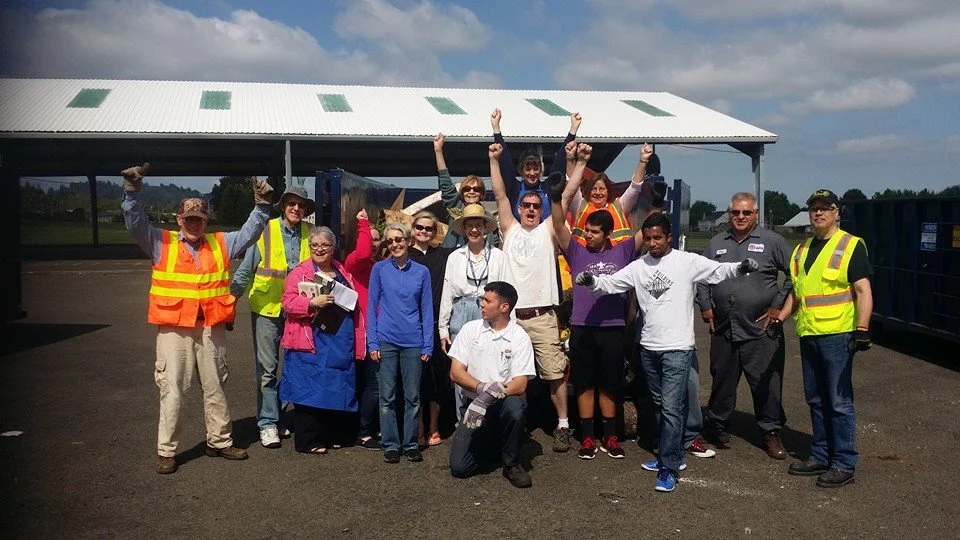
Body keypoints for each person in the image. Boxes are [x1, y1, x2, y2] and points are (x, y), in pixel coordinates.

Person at [576, 213, 758, 492]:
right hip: (649, 347)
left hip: (677, 348)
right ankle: (668, 454)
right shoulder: (639, 266)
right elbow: (610, 284)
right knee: (660, 406)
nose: (652, 243)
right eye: (647, 238)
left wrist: (741, 268)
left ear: (669, 237)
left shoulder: (687, 262)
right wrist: (591, 281)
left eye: (657, 238)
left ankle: (669, 466)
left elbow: (718, 271)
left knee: (673, 409)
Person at [120, 164, 272, 474]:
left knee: (215, 385)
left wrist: (261, 205)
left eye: (199, 219)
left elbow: (250, 232)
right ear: (179, 220)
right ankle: (167, 451)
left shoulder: (220, 243)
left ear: (206, 220)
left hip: (210, 327)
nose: (194, 224)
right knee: (172, 388)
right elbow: (134, 222)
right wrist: (131, 192)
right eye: (189, 219)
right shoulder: (160, 242)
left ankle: (219, 442)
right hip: (174, 328)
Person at [551, 143, 645, 460]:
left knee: (609, 385)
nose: (587, 234)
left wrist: (652, 192)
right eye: (587, 229)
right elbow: (561, 226)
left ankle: (611, 436)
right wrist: (554, 198)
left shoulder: (621, 251)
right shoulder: (576, 250)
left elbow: (645, 232)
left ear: (607, 233)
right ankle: (588, 438)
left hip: (613, 327)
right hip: (582, 326)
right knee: (586, 384)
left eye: (593, 231)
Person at [778, 189, 873, 488]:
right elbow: (799, 293)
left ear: (836, 212)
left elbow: (863, 291)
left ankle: (844, 462)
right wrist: (780, 318)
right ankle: (820, 454)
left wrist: (862, 329)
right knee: (816, 400)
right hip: (809, 334)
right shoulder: (802, 249)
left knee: (839, 402)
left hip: (838, 336)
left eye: (825, 208)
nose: (818, 213)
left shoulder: (850, 245)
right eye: (813, 209)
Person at [695, 192, 793, 459]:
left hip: (761, 329)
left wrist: (778, 305)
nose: (740, 217)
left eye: (746, 213)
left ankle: (770, 431)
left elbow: (796, 274)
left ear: (756, 214)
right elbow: (701, 276)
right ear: (729, 214)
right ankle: (716, 425)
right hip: (725, 327)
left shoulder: (773, 241)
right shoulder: (716, 243)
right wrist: (705, 304)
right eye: (735, 212)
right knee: (722, 379)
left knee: (766, 382)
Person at [488, 142, 572, 452]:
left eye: (537, 206)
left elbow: (563, 194)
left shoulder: (548, 230)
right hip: (512, 319)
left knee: (554, 374)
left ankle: (563, 425)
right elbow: (499, 194)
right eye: (527, 206)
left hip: (542, 316)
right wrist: (494, 160)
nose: (532, 210)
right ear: (519, 208)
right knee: (509, 376)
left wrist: (574, 163)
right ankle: (513, 426)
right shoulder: (508, 228)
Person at [230, 184, 315, 449]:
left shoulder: (310, 234)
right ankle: (267, 423)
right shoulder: (265, 231)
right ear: (283, 206)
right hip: (267, 310)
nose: (296, 208)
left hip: (298, 312)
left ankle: (277, 415)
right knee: (267, 370)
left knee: (293, 368)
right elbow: (245, 270)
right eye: (292, 203)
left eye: (301, 205)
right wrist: (230, 302)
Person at [279, 226, 365, 454]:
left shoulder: (341, 269)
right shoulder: (300, 273)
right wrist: (310, 304)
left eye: (325, 245)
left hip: (340, 341)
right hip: (311, 340)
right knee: (309, 390)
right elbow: (287, 303)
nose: (319, 249)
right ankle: (309, 440)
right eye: (314, 245)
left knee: (336, 388)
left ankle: (332, 436)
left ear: (333, 248)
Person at [448, 281, 536, 488]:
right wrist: (481, 390)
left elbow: (520, 384)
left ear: (504, 307)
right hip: (474, 406)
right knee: (459, 469)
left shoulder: (519, 337)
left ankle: (511, 462)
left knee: (516, 408)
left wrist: (488, 396)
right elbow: (456, 372)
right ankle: (492, 444)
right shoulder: (471, 329)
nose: (481, 304)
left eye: (487, 300)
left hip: (503, 403)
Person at [437, 203, 513, 420]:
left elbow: (506, 291)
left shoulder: (498, 256)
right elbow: (447, 293)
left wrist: (510, 324)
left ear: (485, 228)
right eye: (469, 226)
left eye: (478, 225)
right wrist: (443, 328)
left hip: (490, 311)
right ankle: (463, 421)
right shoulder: (455, 257)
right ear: (464, 229)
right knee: (461, 369)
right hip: (461, 311)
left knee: (490, 364)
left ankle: (488, 419)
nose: (474, 230)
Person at [367, 222, 434, 464]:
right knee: (387, 396)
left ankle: (411, 443)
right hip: (386, 339)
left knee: (412, 396)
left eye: (399, 240)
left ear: (408, 241)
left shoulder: (421, 272)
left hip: (413, 341)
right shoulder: (380, 270)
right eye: (390, 241)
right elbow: (371, 305)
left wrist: (428, 344)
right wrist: (372, 343)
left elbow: (426, 310)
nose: (395, 244)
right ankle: (391, 444)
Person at [408, 211, 454, 447]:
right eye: (420, 227)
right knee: (415, 377)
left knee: (437, 377)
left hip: (436, 323)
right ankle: (419, 428)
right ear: (413, 229)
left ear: (436, 233)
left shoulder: (445, 256)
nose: (424, 232)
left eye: (429, 228)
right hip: (411, 322)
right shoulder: (404, 255)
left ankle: (434, 428)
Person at [560, 141, 656, 246]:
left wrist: (643, 161)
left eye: (602, 189)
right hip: (585, 260)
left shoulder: (620, 206)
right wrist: (570, 158)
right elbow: (571, 185)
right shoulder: (580, 205)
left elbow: (635, 188)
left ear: (608, 190)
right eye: (594, 189)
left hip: (615, 260)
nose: (597, 192)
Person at [491, 108, 577, 222]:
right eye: (527, 169)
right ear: (521, 171)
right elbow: (505, 163)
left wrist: (573, 130)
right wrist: (496, 128)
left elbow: (559, 164)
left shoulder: (548, 187)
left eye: (536, 169)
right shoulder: (514, 188)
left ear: (541, 170)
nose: (532, 173)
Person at [344, 209, 382, 450]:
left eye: (378, 239)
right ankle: (364, 431)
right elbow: (364, 251)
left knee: (374, 384)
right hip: (363, 335)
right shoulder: (355, 263)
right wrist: (363, 224)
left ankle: (370, 426)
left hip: (379, 334)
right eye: (370, 237)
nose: (373, 243)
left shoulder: (381, 266)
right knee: (372, 384)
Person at [434, 133, 499, 248]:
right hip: (453, 258)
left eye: (476, 189)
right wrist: (438, 150)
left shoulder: (489, 219)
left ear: (482, 193)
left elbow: (495, 245)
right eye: (467, 189)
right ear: (462, 192)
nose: (471, 191)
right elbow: (445, 182)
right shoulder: (455, 205)